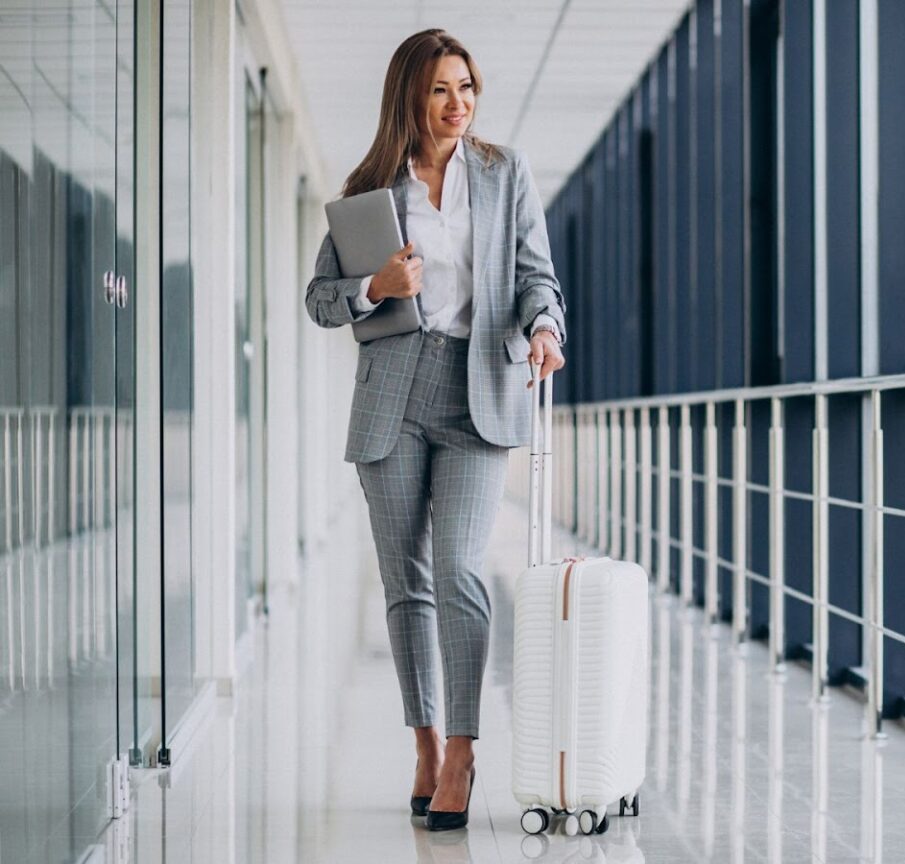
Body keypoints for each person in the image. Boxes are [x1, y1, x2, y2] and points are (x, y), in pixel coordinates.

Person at [304, 28, 566, 832]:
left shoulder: (502, 172)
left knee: (457, 568)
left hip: (477, 387)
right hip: (393, 392)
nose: (459, 105)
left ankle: (463, 746)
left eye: (468, 88)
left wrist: (546, 327)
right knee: (405, 583)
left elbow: (534, 275)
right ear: (410, 100)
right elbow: (320, 299)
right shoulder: (370, 186)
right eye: (441, 91)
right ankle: (422, 742)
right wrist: (374, 286)